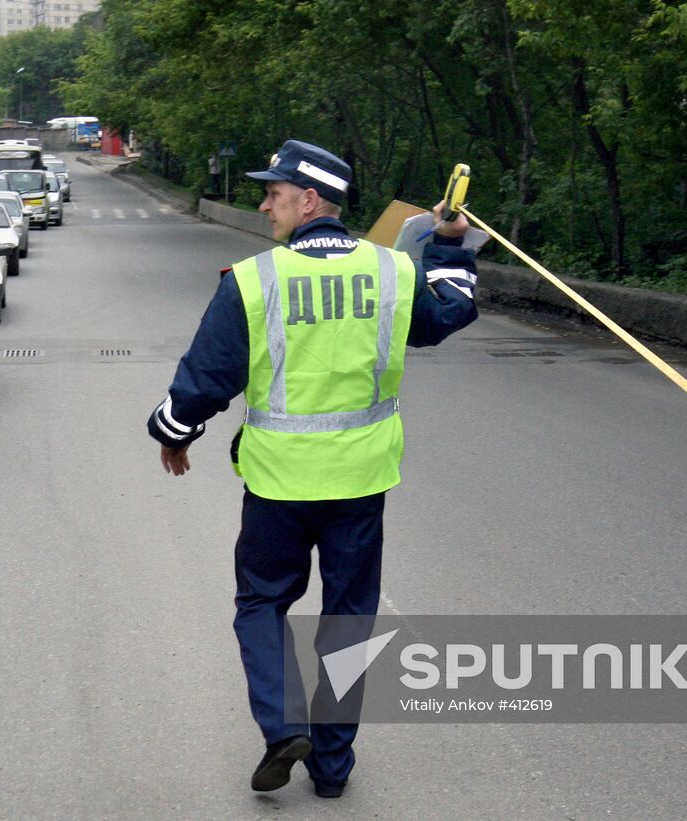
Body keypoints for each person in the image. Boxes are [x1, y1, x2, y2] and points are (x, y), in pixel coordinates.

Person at [147, 140, 480, 799]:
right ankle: (331, 767)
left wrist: (174, 431)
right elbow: (449, 311)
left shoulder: (253, 279)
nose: (264, 202)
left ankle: (281, 728)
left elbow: (207, 377)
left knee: (261, 602)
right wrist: (446, 242)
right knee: (349, 616)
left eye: (274, 192)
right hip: (361, 483)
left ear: (311, 201)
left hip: (278, 485)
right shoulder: (391, 272)